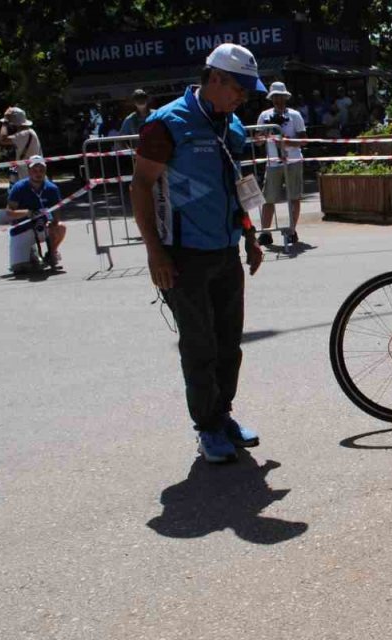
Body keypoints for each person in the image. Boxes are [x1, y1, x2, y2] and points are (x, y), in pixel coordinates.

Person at [130, 43, 267, 464]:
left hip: (226, 251)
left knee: (230, 344)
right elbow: (140, 185)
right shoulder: (167, 123)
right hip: (183, 256)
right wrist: (155, 252)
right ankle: (207, 428)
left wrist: (250, 236)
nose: (243, 97)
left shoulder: (233, 127)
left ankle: (222, 415)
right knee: (200, 345)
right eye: (239, 88)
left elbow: (238, 188)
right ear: (216, 79)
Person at [255, 81, 307, 247]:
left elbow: (303, 140)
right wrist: (263, 134)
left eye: (281, 96)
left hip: (292, 159)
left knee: (294, 197)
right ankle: (265, 232)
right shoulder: (264, 116)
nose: (278, 100)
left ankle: (292, 230)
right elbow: (257, 142)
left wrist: (286, 141)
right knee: (268, 197)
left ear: (286, 97)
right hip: (273, 162)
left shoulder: (295, 115)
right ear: (271, 98)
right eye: (275, 97)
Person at [5, 155, 67, 267]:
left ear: (45, 170)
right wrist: (27, 213)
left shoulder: (52, 189)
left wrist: (53, 222)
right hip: (22, 230)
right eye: (35, 170)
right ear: (29, 170)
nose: (38, 173)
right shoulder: (18, 188)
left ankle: (52, 252)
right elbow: (9, 213)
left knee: (61, 227)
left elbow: (57, 214)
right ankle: (31, 252)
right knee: (19, 268)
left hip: (43, 228)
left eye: (41, 170)